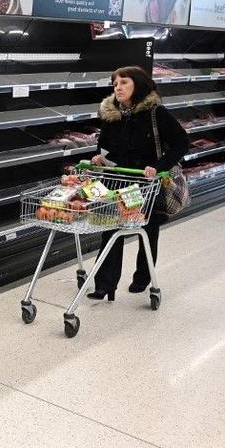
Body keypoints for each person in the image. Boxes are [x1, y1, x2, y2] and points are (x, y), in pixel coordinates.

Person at [87, 66, 189, 301]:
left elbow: (182, 143)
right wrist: (98, 158)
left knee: (147, 229)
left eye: (124, 82)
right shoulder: (111, 114)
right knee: (110, 228)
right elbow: (104, 145)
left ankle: (143, 278)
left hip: (145, 184)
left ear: (139, 85)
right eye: (115, 84)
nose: (118, 88)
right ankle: (104, 285)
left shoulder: (155, 113)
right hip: (116, 180)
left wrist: (159, 166)